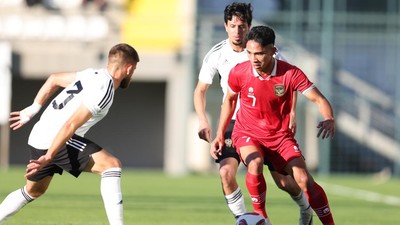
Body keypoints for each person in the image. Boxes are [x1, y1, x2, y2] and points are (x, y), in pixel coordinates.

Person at [194, 3, 312, 225]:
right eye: (233, 26)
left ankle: (306, 209)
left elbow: (290, 81)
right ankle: (246, 219)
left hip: (268, 123)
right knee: (226, 174)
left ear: (249, 26)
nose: (237, 31)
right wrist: (203, 120)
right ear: (225, 26)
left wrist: (292, 113)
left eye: (242, 26)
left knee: (284, 182)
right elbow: (200, 90)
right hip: (234, 122)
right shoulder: (217, 54)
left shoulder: (266, 51)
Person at [0, 43, 140, 225]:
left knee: (33, 191)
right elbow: (70, 124)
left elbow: (54, 79)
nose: (133, 73)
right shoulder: (104, 89)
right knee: (111, 166)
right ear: (128, 68)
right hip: (55, 137)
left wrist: (33, 109)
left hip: (39, 135)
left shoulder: (91, 74)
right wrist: (49, 156)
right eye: (134, 69)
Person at [210, 25, 336, 225]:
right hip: (247, 132)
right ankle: (263, 219)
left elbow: (319, 99)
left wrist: (329, 117)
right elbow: (230, 101)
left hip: (280, 137)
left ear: (272, 50)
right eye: (249, 53)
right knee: (255, 162)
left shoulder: (290, 73)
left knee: (302, 179)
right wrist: (219, 134)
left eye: (259, 54)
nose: (254, 59)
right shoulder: (239, 72)